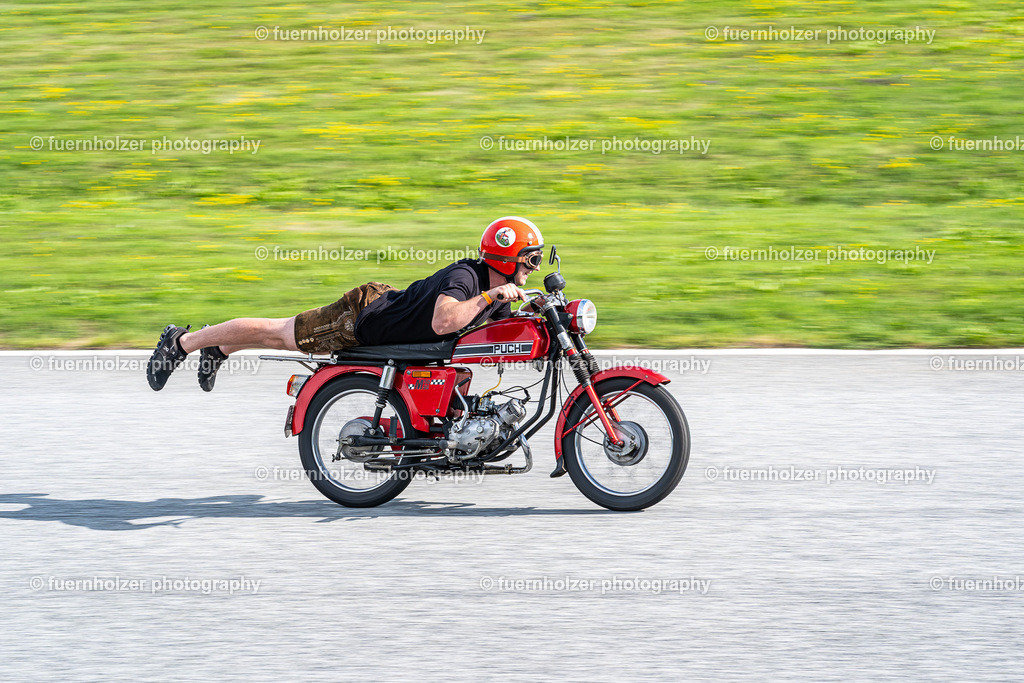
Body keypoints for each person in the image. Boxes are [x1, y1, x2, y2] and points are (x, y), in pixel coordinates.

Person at [147, 216, 544, 391]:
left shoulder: (496, 296)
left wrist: (537, 316)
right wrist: (493, 295)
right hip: (361, 318)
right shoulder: (469, 280)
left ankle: (219, 346)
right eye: (531, 258)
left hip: (388, 314)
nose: (535, 266)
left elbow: (491, 337)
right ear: (506, 258)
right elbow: (444, 322)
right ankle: (181, 341)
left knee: (275, 337)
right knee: (281, 334)